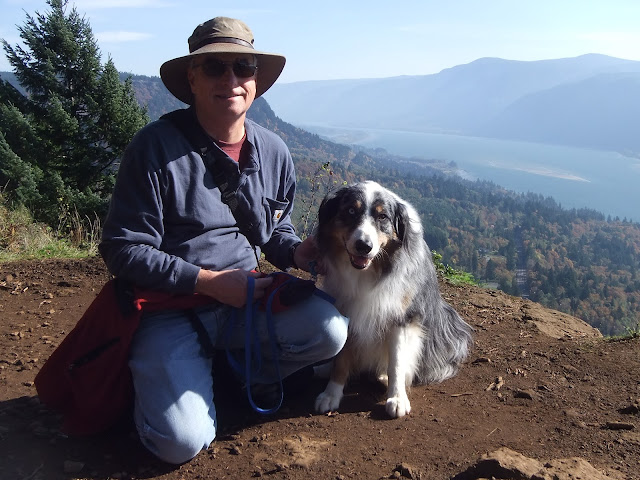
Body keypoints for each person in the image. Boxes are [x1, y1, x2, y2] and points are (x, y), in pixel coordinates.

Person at [99, 16, 348, 465]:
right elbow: (123, 247)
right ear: (192, 78)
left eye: (243, 66)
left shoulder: (274, 151)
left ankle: (232, 372)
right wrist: (207, 282)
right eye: (214, 67)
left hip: (246, 302)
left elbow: (274, 229)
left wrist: (295, 252)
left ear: (255, 78)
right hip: (170, 311)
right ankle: (161, 389)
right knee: (180, 443)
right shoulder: (154, 148)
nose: (231, 79)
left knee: (329, 331)